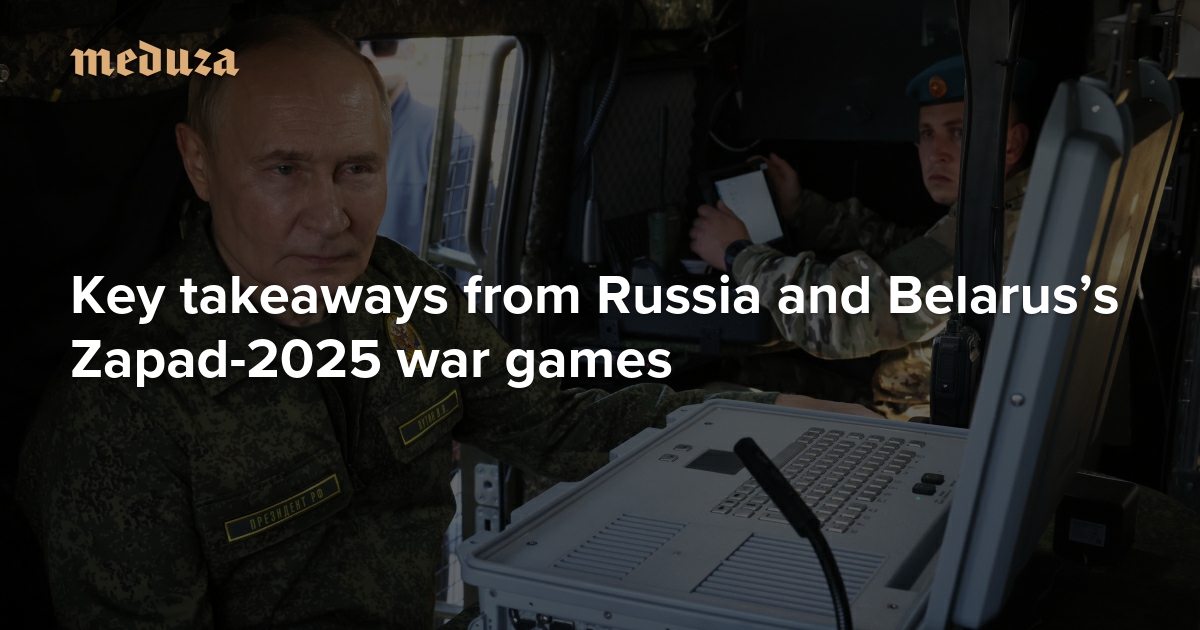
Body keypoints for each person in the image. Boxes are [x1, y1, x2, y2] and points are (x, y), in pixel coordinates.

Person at [17, 16, 875, 628]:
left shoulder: (405, 293)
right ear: (199, 164)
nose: (332, 217)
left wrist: (757, 417)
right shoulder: (125, 406)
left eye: (357, 169)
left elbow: (553, 421)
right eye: (284, 170)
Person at [689, 56, 1034, 420]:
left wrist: (737, 255)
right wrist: (803, 209)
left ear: (1012, 144)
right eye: (927, 134)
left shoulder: (984, 237)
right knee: (756, 373)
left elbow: (838, 321)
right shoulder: (1009, 212)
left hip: (920, 426)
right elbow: (913, 249)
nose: (936, 154)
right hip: (932, 401)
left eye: (959, 133)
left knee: (708, 400)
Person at [360, 38, 482, 256]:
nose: (366, 54)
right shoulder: (318, 138)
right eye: (356, 44)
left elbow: (470, 265)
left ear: (410, 50)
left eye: (383, 43)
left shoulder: (451, 145)